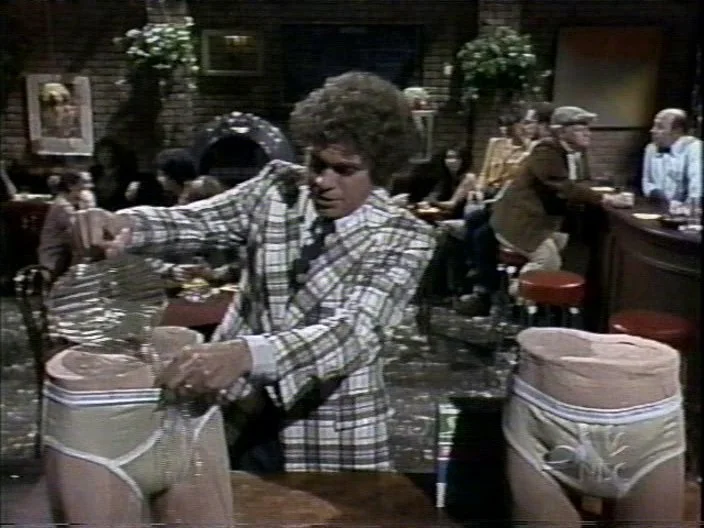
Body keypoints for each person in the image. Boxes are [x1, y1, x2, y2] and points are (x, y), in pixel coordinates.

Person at [72, 71, 436, 472]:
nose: (322, 181)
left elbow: (354, 332)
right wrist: (124, 225)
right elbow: (197, 221)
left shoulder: (405, 237)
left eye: (344, 170)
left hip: (329, 430)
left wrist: (247, 354)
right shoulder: (278, 188)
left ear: (380, 171)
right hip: (237, 411)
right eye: (316, 163)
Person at [490, 106, 629, 277]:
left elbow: (577, 182)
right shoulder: (546, 150)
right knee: (549, 261)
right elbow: (562, 185)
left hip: (540, 222)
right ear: (561, 132)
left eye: (587, 128)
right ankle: (518, 289)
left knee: (567, 246)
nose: (587, 133)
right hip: (519, 222)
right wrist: (606, 198)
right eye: (580, 129)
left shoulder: (572, 152)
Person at [641, 108, 701, 206]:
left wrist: (684, 208)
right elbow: (647, 181)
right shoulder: (651, 148)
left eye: (660, 127)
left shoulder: (694, 148)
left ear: (677, 131)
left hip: (685, 210)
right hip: (658, 207)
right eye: (654, 126)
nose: (652, 130)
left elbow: (696, 190)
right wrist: (654, 192)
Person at [38, 172, 87, 278]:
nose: (81, 194)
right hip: (54, 260)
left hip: (60, 257)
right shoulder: (63, 206)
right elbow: (79, 231)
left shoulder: (62, 203)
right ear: (70, 186)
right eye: (80, 190)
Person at [89, 138, 139, 211]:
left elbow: (129, 199)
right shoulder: (93, 172)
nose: (104, 156)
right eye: (101, 152)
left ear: (116, 154)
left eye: (108, 152)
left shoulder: (127, 175)